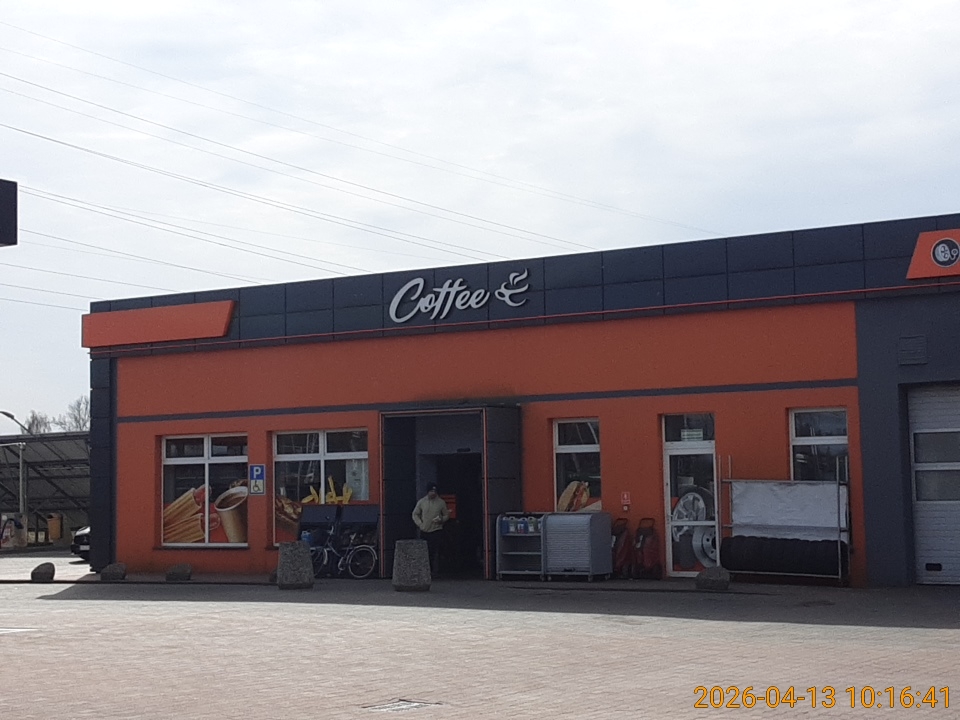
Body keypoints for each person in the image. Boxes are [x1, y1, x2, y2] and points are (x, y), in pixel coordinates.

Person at [412, 482, 449, 577]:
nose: (433, 493)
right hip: (424, 530)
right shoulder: (422, 502)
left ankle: (434, 571)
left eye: (435, 491)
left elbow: (446, 515)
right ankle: (425, 571)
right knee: (425, 552)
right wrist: (420, 524)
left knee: (434, 551)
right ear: (427, 492)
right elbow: (415, 514)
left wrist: (441, 519)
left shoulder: (441, 502)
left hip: (436, 530)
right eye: (431, 491)